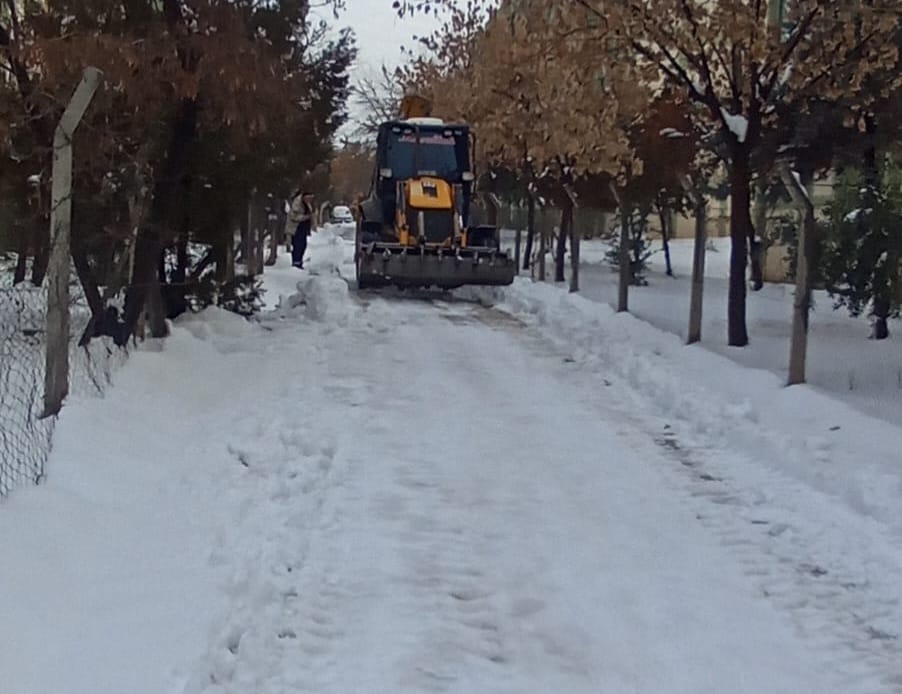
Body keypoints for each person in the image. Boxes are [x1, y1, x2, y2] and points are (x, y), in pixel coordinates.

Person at [288, 190, 315, 268]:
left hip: (303, 228)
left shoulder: (307, 203)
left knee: (303, 245)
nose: (310, 199)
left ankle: (299, 261)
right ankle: (296, 262)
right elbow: (294, 217)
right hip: (296, 228)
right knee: (298, 246)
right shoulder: (297, 204)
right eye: (309, 197)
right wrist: (305, 217)